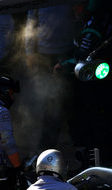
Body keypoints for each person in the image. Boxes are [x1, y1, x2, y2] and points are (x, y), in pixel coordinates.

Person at [54, 1, 112, 166]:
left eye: (78, 6)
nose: (74, 9)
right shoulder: (85, 26)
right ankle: (93, 157)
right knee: (89, 123)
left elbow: (82, 57)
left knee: (98, 124)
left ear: (85, 8)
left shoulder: (92, 30)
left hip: (96, 86)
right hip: (88, 85)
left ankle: (105, 160)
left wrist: (62, 66)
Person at [24, 4, 75, 150]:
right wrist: (29, 52)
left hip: (68, 51)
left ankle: (76, 142)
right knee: (50, 100)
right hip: (45, 55)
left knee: (69, 98)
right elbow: (30, 23)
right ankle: (47, 145)